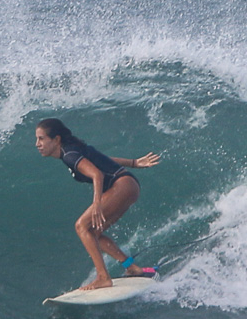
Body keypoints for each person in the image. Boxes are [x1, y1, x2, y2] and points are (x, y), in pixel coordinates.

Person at [34, 117, 160, 291]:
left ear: (56, 140)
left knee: (81, 226)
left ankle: (103, 277)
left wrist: (97, 204)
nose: (37, 144)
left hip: (122, 185)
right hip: (128, 185)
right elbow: (101, 159)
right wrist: (133, 163)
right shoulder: (72, 151)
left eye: (41, 139)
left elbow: (97, 174)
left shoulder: (69, 155)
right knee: (93, 233)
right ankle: (132, 268)